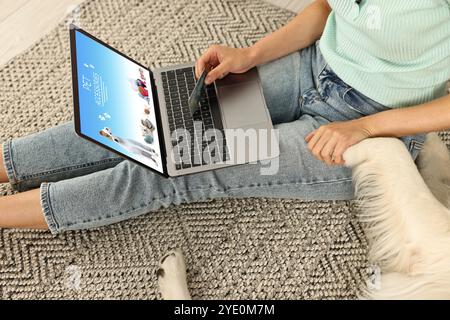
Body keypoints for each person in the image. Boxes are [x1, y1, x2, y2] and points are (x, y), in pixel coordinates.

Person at [0, 0, 448, 233]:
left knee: (180, 167)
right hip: (314, 66)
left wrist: (365, 127)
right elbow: (328, 10)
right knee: (146, 111)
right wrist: (249, 55)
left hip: (376, 127)